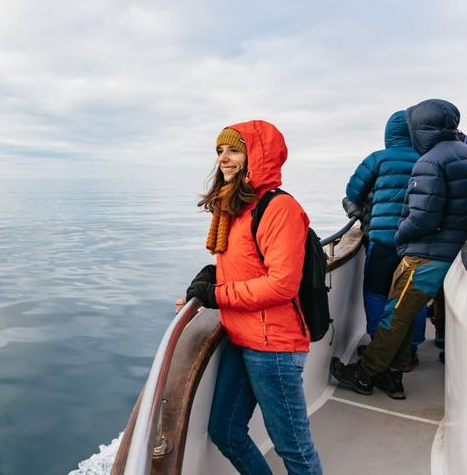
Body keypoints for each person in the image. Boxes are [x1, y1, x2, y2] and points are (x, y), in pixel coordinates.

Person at [176, 120, 322, 474]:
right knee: (225, 431)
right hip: (242, 337)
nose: (223, 158)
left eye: (234, 150)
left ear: (256, 155)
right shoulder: (237, 209)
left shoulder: (279, 208)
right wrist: (210, 276)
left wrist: (216, 293)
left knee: (294, 448)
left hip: (274, 348)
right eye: (220, 151)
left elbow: (281, 284)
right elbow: (245, 263)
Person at [332, 98, 467, 399]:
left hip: (421, 252)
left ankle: (366, 374)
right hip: (449, 252)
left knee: (395, 313)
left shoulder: (429, 160)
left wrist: (401, 236)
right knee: (407, 311)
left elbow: (422, 215)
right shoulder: (461, 153)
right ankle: (397, 369)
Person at [342, 110, 426, 371]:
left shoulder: (377, 159)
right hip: (417, 242)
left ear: (389, 134)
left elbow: (353, 192)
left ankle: (378, 341)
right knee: (412, 296)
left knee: (377, 292)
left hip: (383, 240)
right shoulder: (427, 160)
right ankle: (410, 350)